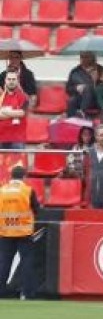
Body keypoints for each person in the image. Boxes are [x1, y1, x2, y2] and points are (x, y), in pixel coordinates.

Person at [0, 166, 38, 300]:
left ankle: (1, 292)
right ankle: (27, 293)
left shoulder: (2, 190)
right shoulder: (28, 191)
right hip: (24, 232)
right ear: (24, 177)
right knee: (26, 262)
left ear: (11, 176)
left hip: (5, 232)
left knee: (4, 263)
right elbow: (36, 209)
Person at [65, 51, 103, 117]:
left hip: (96, 99)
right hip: (80, 98)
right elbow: (68, 89)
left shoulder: (100, 69)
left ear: (93, 57)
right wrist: (76, 88)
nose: (84, 59)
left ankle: (82, 112)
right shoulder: (75, 71)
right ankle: (71, 121)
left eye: (87, 57)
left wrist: (96, 81)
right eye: (82, 57)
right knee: (71, 100)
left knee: (87, 88)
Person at [0, 72, 28, 150]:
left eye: (13, 79)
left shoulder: (23, 97)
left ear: (17, 81)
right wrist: (14, 112)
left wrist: (3, 111)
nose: (11, 81)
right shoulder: (1, 97)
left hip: (17, 139)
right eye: (9, 79)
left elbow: (22, 113)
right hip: (1, 137)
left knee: (18, 162)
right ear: (5, 80)